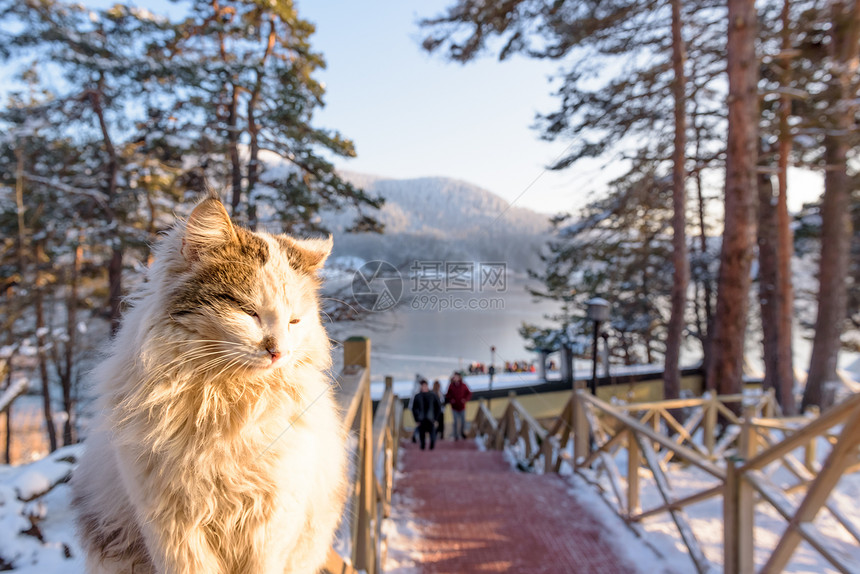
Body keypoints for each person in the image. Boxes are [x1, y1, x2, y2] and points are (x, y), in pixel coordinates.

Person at [411, 379, 442, 450]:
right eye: (423, 386)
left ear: (427, 386)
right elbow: (414, 409)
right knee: (422, 435)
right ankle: (422, 446)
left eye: (425, 386)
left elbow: (438, 407)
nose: (424, 387)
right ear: (421, 387)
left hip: (431, 419)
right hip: (421, 419)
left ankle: (431, 446)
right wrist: (416, 420)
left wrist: (436, 419)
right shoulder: (417, 396)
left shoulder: (433, 395)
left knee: (432, 435)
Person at [445, 372, 472, 440]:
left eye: (456, 377)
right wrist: (451, 400)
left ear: (459, 377)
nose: (455, 378)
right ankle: (456, 435)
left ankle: (462, 433)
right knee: (455, 422)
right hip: (454, 408)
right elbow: (448, 395)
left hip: (462, 407)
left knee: (463, 421)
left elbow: (469, 393)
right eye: (454, 377)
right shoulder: (451, 386)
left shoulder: (463, 385)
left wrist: (465, 399)